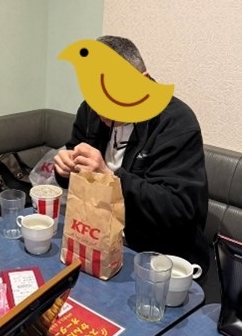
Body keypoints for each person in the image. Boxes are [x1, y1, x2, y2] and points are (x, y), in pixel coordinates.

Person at [54, 35, 210, 273]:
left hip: (156, 257)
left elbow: (178, 210)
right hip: (97, 240)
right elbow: (76, 166)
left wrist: (110, 178)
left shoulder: (176, 122)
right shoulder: (91, 110)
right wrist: (65, 168)